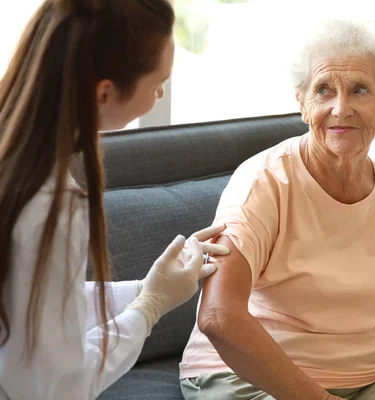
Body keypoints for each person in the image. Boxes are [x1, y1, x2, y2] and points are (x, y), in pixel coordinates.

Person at [179, 19, 375, 400]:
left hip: (368, 379)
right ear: (302, 103)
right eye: (324, 90)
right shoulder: (263, 183)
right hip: (247, 378)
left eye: (360, 90)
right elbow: (219, 317)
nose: (340, 108)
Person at [0, 1, 229, 399]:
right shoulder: (49, 206)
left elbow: (31, 307)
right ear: (104, 92)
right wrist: (150, 308)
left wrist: (145, 288)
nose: (161, 93)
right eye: (159, 82)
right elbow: (57, 387)